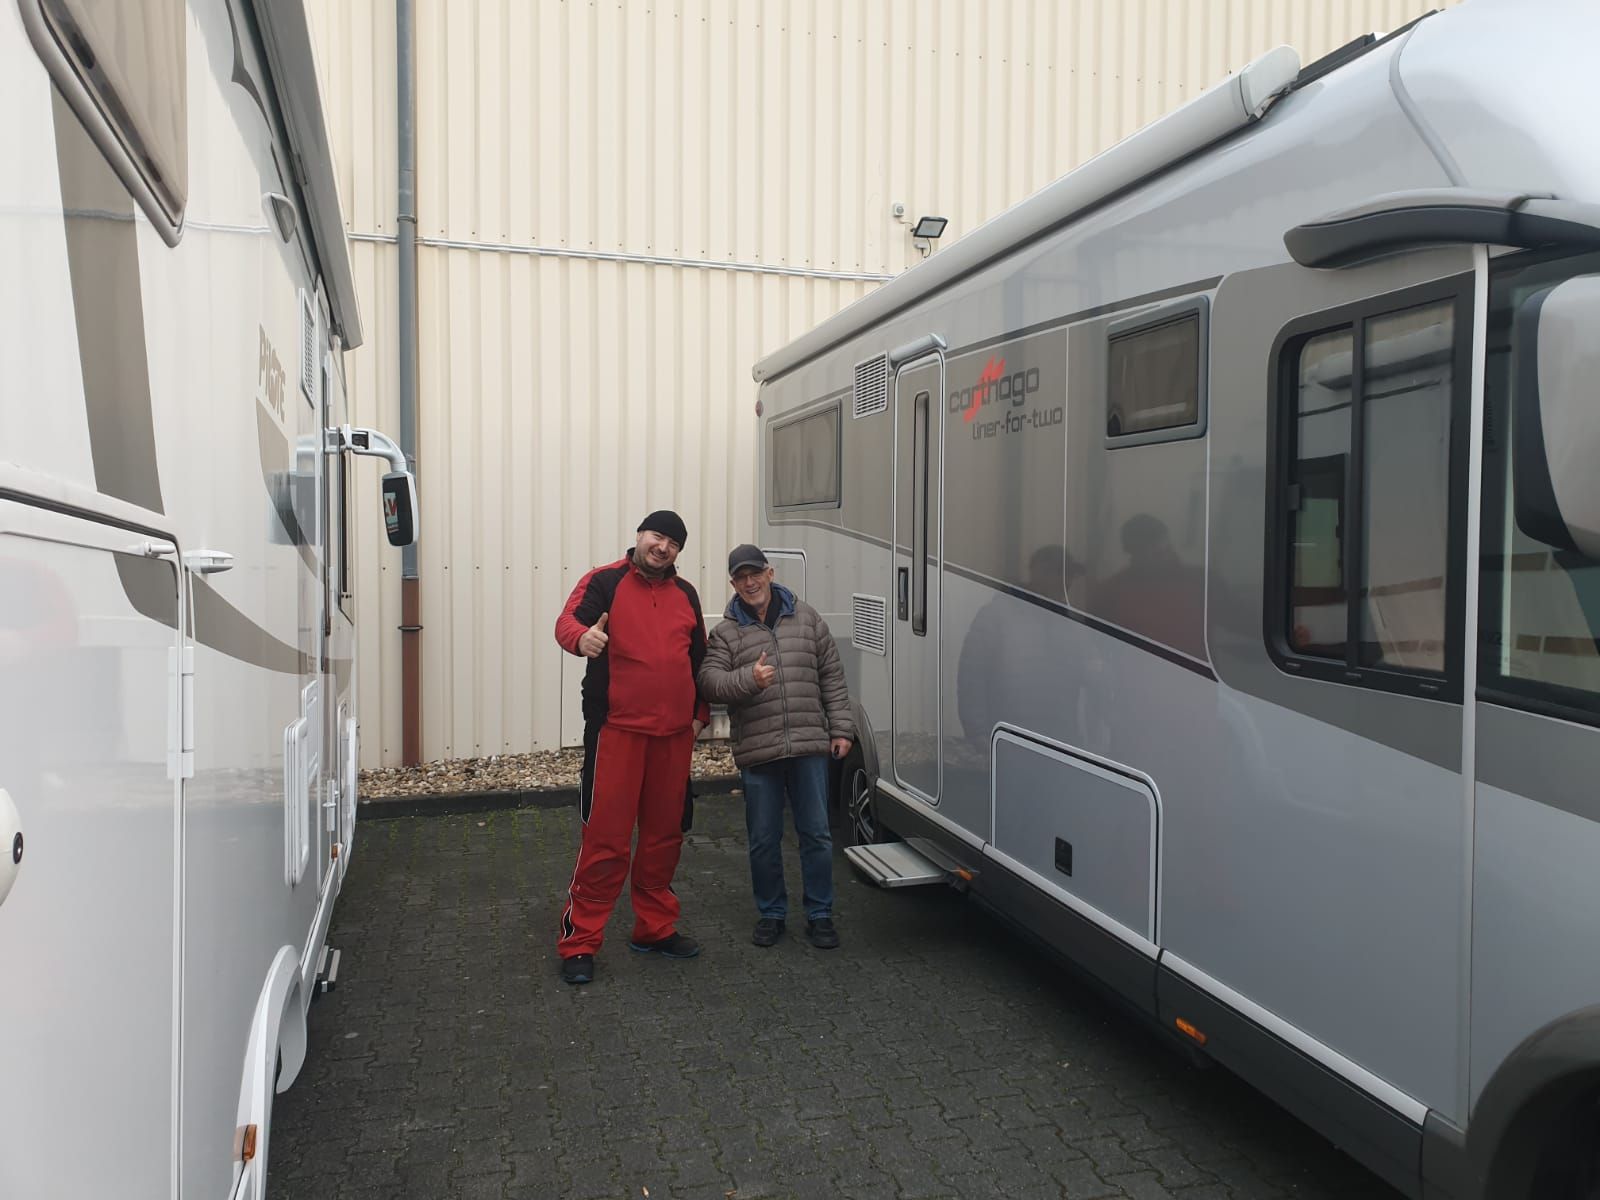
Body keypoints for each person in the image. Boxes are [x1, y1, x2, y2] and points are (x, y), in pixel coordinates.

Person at [552, 510, 710, 985]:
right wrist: (584, 639)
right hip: (617, 734)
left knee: (664, 836)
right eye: (657, 536)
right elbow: (566, 623)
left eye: (673, 543)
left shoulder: (686, 594)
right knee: (605, 841)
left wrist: (700, 716)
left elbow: (699, 658)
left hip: (674, 739)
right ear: (640, 536)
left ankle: (655, 927)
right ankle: (580, 941)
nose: (663, 547)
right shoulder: (605, 582)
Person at [697, 545, 855, 950]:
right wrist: (749, 679)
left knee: (817, 835)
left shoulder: (808, 619)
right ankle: (771, 913)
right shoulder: (727, 632)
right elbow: (710, 683)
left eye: (755, 574)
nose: (749, 583)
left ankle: (820, 915)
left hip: (808, 747)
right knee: (764, 839)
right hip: (759, 751)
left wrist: (841, 730)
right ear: (733, 583)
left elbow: (832, 678)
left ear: (770, 573)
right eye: (740, 577)